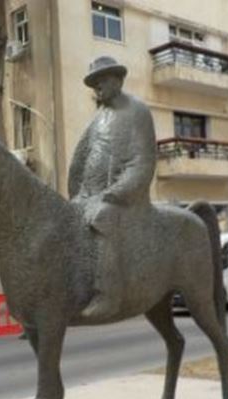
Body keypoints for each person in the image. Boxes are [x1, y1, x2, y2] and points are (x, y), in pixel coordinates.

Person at [68, 56, 157, 319]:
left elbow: (143, 162)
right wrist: (78, 193)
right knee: (64, 216)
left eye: (102, 80)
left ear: (118, 80)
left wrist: (116, 192)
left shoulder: (138, 111)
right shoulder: (99, 117)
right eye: (94, 83)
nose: (97, 87)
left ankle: (108, 294)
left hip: (122, 198)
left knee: (102, 216)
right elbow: (82, 156)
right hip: (89, 195)